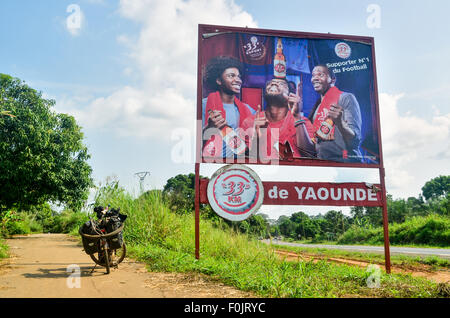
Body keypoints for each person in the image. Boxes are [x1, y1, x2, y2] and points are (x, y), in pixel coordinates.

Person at [241, 77, 316, 161]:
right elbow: (249, 160)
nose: (274, 84)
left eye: (281, 84)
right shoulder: (250, 122)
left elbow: (310, 154)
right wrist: (257, 137)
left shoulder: (303, 122)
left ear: (290, 95)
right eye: (270, 83)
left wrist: (297, 117)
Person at [202, 56, 256, 158]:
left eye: (239, 76)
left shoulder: (249, 110)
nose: (238, 80)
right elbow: (196, 141)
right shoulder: (204, 105)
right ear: (219, 80)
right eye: (231, 76)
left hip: (242, 163)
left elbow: (257, 144)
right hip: (212, 162)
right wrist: (209, 128)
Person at [306, 64, 363, 162]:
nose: (315, 78)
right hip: (323, 164)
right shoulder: (317, 108)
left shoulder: (346, 98)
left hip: (346, 163)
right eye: (313, 75)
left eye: (320, 74)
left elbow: (355, 141)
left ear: (332, 79)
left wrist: (340, 123)